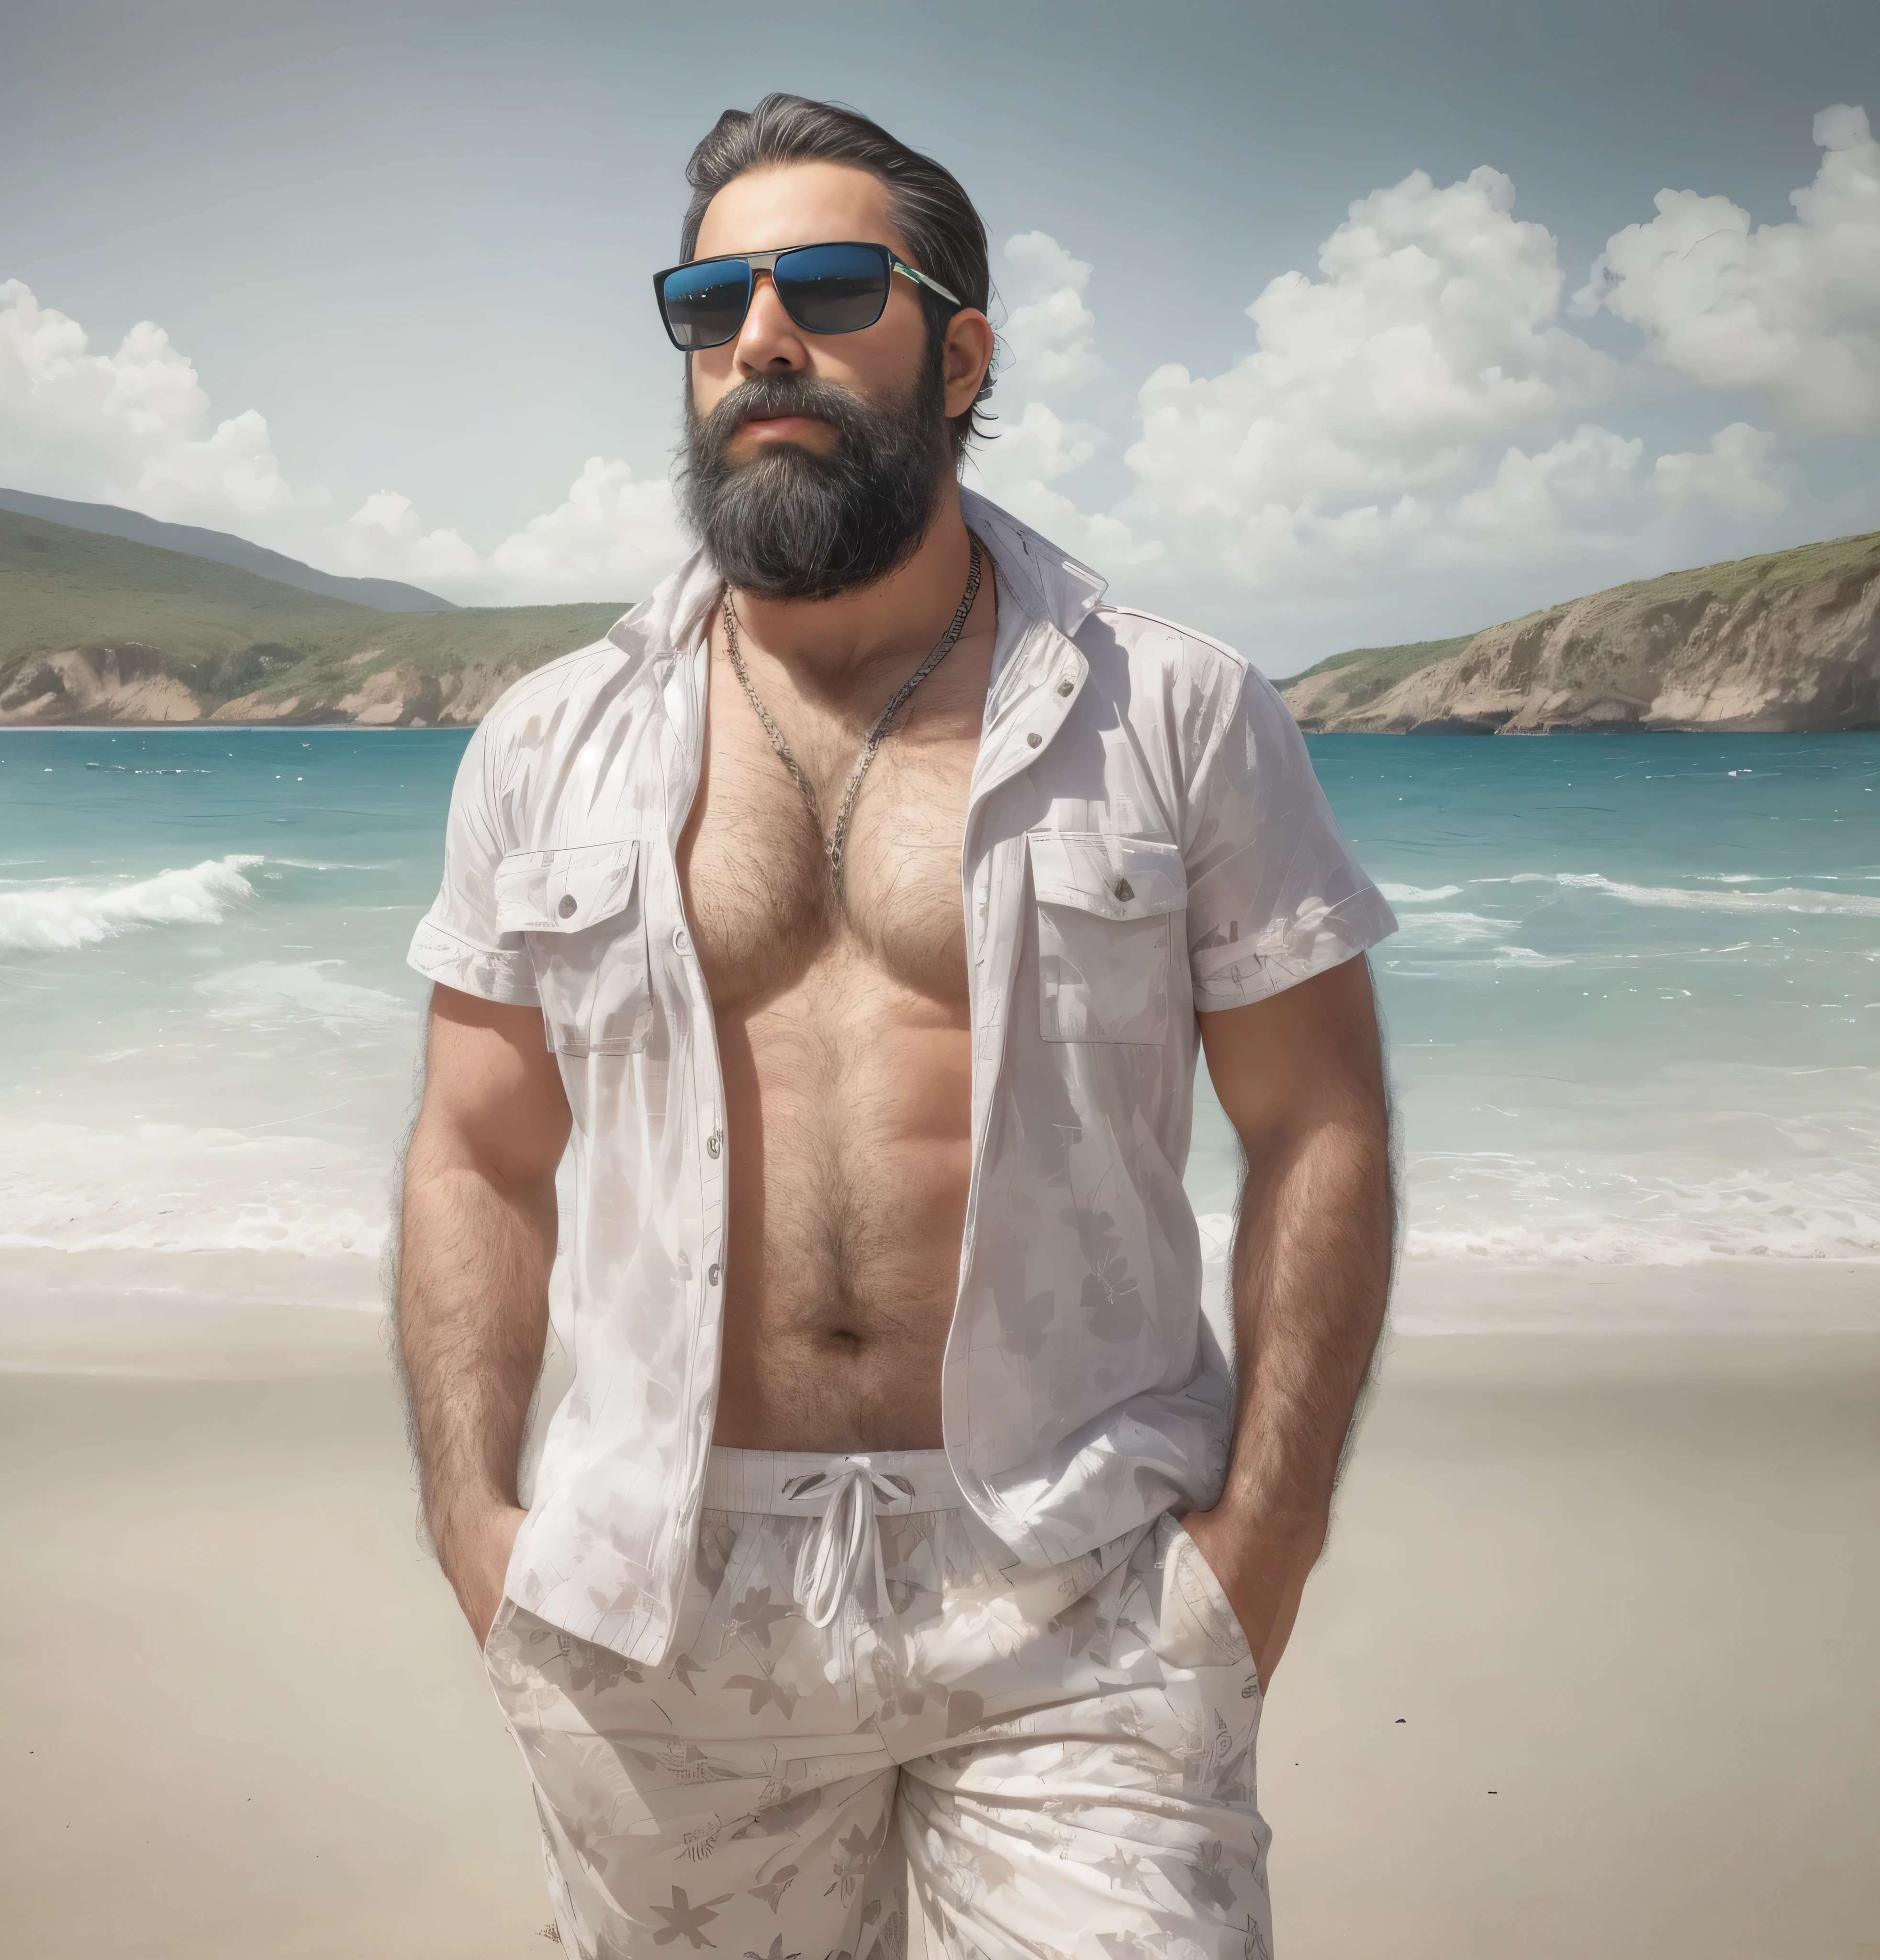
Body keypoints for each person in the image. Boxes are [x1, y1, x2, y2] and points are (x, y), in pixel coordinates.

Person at [395, 93, 1396, 1960]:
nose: (759, 334)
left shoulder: (1173, 710)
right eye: (709, 302)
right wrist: (476, 1521)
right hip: (657, 1609)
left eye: (828, 284)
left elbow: (1317, 1115)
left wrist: (1264, 1539)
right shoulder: (550, 742)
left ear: (961, 351)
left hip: (1080, 1584)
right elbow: (477, 1144)